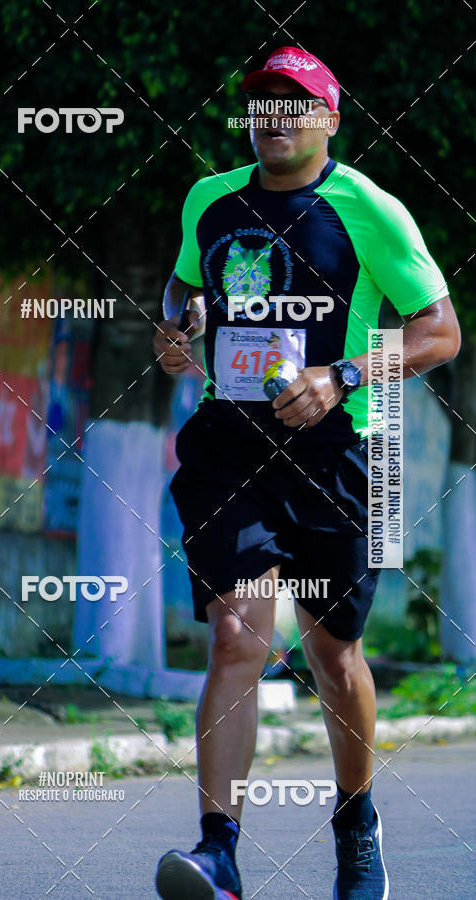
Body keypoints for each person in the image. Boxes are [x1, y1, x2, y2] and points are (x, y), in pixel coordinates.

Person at [152, 46, 461, 900]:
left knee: (335, 655)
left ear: (329, 118)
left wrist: (343, 376)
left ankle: (356, 824)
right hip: (228, 448)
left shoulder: (369, 209)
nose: (274, 118)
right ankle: (218, 853)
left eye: (294, 104)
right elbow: (180, 291)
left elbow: (440, 331)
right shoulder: (210, 200)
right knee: (236, 636)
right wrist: (177, 329)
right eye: (261, 102)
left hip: (333, 459)